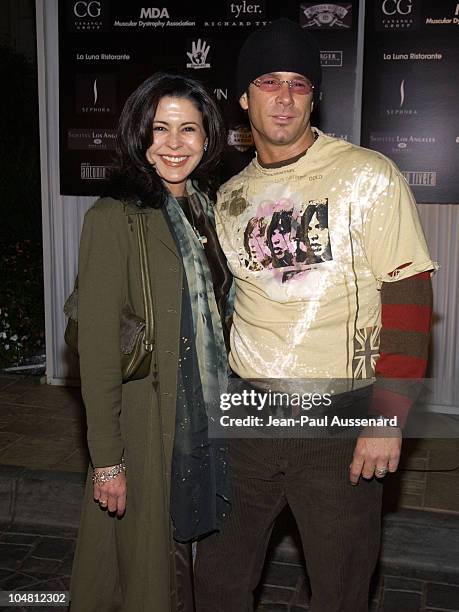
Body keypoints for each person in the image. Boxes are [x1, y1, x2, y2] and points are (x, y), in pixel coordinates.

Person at [194, 18, 436, 612]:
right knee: (218, 578)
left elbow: (409, 296)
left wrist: (388, 418)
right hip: (248, 414)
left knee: (340, 588)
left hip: (339, 417)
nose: (283, 96)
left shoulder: (366, 175)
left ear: (314, 96)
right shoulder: (228, 197)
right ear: (243, 98)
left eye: (298, 83)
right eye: (268, 82)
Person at [69, 71, 232, 612]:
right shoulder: (113, 217)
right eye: (160, 128)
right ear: (140, 134)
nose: (174, 144)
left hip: (203, 418)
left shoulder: (206, 210)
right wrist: (108, 460)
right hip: (148, 424)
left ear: (207, 137)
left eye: (188, 129)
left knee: (191, 559)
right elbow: (94, 351)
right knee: (145, 574)